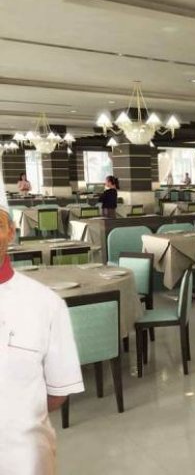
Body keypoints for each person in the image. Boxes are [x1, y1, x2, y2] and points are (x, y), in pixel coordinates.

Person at [0, 177, 84, 474]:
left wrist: (17, 415)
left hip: (26, 460)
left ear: (11, 231)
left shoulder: (46, 304)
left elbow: (57, 393)